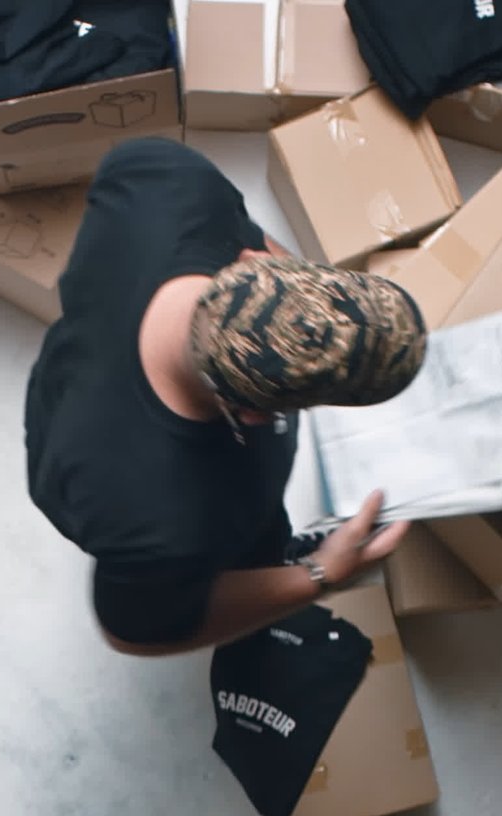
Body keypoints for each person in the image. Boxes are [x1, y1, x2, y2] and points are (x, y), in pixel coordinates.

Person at [24, 137, 429, 657]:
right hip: (84, 466)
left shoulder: (163, 176)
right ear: (254, 415)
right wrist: (321, 573)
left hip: (74, 371)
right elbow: (131, 631)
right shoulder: (164, 522)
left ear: (252, 258)